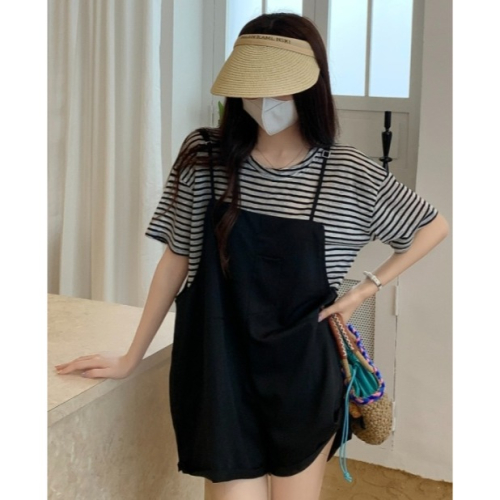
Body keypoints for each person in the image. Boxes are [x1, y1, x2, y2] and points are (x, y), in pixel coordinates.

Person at [55, 13, 449, 500]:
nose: (265, 101)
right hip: (219, 369)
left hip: (303, 375)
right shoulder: (204, 156)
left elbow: (432, 226)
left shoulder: (347, 171)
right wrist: (130, 356)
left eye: (278, 87)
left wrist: (365, 290)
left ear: (311, 88)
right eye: (253, 85)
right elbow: (176, 260)